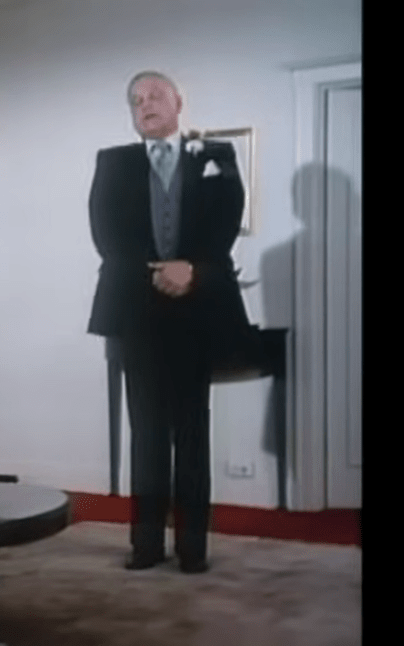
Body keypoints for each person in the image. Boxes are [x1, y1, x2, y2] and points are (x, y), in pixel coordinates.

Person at [86, 72, 255, 574]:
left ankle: (193, 549)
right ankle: (145, 545)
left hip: (197, 311)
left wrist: (192, 271)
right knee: (146, 432)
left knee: (192, 430)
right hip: (137, 313)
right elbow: (106, 232)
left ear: (178, 102)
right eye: (136, 100)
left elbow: (226, 221)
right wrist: (157, 272)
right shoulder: (113, 163)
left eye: (155, 96)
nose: (146, 105)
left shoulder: (215, 157)